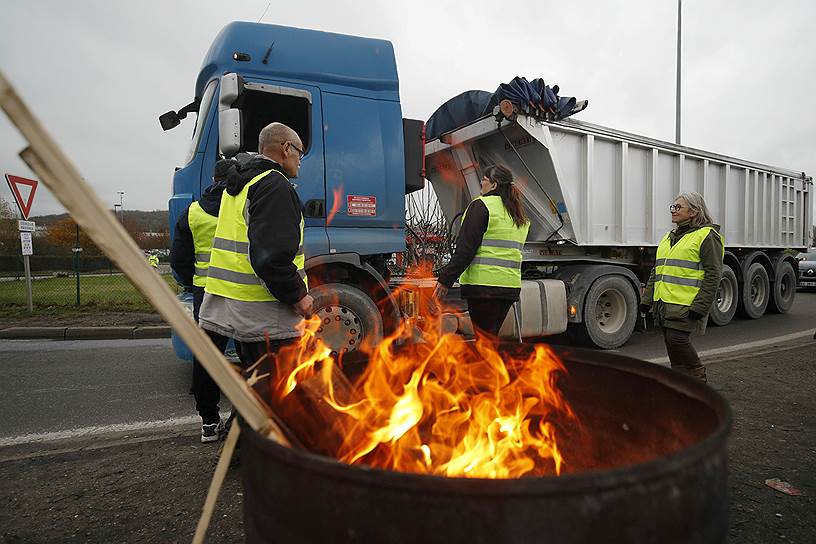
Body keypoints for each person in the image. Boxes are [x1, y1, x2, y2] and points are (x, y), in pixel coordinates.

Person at [198, 122, 313, 374]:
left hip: (236, 311)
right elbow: (270, 258)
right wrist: (298, 296)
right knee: (276, 396)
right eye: (300, 152)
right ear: (285, 148)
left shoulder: (239, 184)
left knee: (257, 392)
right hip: (267, 319)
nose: (301, 160)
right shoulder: (275, 186)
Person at [170, 158, 233, 443]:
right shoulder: (243, 208)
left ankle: (209, 423)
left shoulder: (192, 212)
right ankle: (248, 421)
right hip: (242, 292)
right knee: (253, 355)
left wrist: (190, 281)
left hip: (205, 292)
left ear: (213, 179)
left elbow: (179, 260)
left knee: (207, 356)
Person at [432, 164, 530, 338]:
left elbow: (465, 249)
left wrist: (445, 280)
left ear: (493, 185)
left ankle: (488, 365)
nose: (481, 183)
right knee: (489, 339)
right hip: (508, 288)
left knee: (485, 342)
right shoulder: (517, 214)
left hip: (484, 288)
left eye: (484, 180)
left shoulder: (481, 206)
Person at [641, 192, 724, 383]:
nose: (673, 211)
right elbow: (657, 271)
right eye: (673, 206)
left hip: (686, 305)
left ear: (693, 212)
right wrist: (646, 301)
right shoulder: (668, 238)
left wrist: (700, 307)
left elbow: (714, 274)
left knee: (677, 341)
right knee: (672, 345)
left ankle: (698, 381)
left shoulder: (707, 236)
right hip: (664, 303)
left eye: (678, 207)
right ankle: (681, 385)